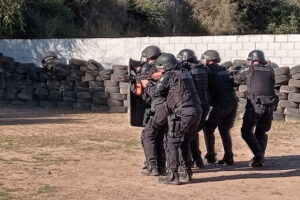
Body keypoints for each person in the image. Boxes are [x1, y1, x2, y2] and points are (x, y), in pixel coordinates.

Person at [141, 53, 202, 185]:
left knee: (171, 142)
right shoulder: (185, 72)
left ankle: (173, 175)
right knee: (184, 142)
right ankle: (186, 173)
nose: (159, 70)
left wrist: (146, 84)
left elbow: (155, 93)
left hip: (183, 113)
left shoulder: (169, 75)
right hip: (197, 111)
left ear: (166, 66)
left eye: (160, 68)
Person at [234, 50, 278, 168]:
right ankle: (259, 159)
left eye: (249, 60)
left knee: (246, 132)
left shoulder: (249, 70)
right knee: (261, 132)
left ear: (253, 60)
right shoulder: (270, 70)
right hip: (270, 106)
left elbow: (236, 80)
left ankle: (259, 156)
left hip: (256, 106)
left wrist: (240, 70)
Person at [202, 50, 238, 165]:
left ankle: (211, 156)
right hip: (232, 102)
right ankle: (229, 156)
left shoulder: (207, 71)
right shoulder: (223, 69)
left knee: (208, 129)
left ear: (208, 59)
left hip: (221, 104)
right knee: (224, 130)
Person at [177, 49, 210, 169]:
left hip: (194, 103)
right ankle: (198, 160)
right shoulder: (203, 68)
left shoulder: (188, 70)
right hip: (203, 104)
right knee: (193, 133)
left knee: (187, 135)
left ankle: (189, 161)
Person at [138, 46, 168, 176]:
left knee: (148, 136)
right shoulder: (167, 67)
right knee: (161, 137)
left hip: (158, 107)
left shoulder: (150, 69)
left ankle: (152, 166)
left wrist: (143, 85)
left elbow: (151, 94)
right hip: (169, 108)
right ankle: (161, 167)